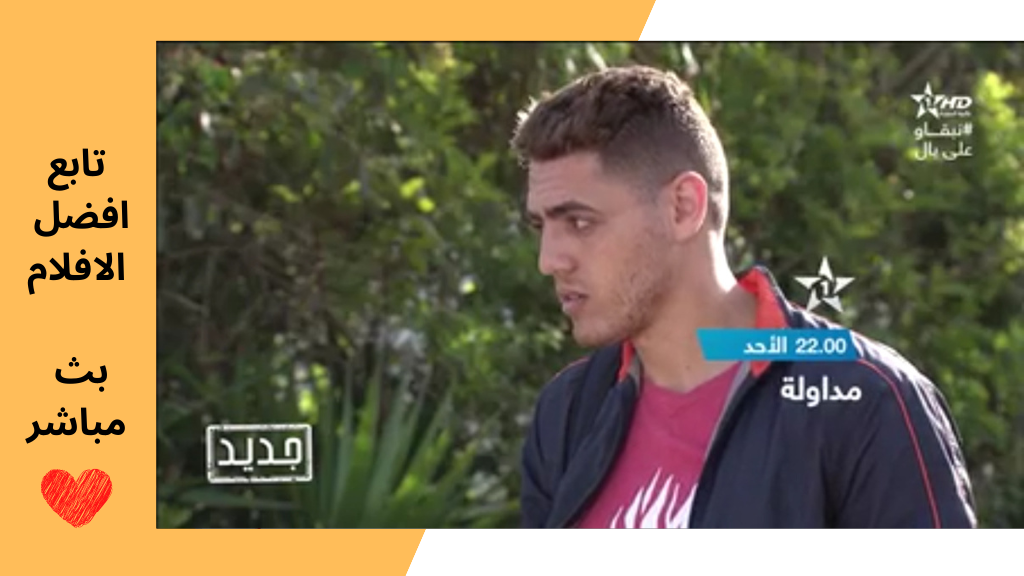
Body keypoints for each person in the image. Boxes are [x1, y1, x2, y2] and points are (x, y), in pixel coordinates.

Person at [510, 65, 977, 529]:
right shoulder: (569, 409)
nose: (549, 260)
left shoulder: (865, 399)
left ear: (683, 207)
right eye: (540, 227)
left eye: (580, 223)